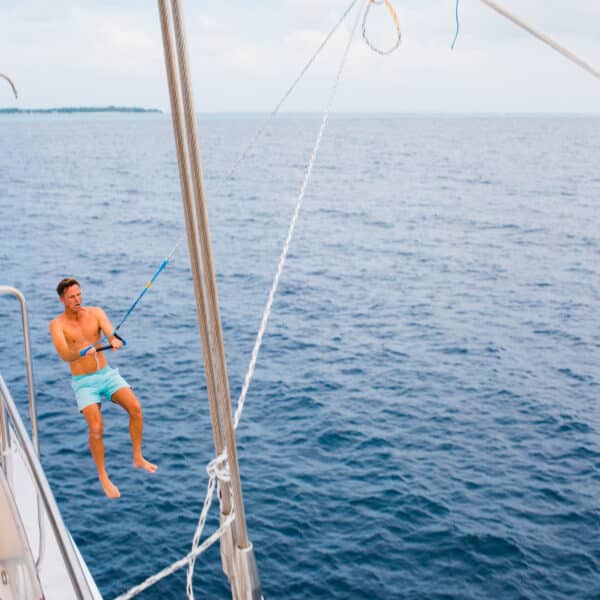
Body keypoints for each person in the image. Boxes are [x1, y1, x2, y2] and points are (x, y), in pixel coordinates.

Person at [49, 277, 156, 498]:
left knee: (135, 408)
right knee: (96, 428)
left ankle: (138, 457)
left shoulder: (96, 312)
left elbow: (109, 332)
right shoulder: (57, 324)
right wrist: (80, 352)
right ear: (62, 299)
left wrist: (114, 340)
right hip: (84, 382)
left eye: (79, 294)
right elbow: (63, 354)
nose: (77, 299)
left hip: (106, 375)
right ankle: (103, 477)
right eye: (71, 297)